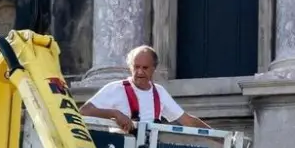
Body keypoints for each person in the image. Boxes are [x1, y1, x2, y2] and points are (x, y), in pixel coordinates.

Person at [80, 46, 210, 132]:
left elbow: (187, 120)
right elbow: (84, 111)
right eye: (136, 67)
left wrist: (223, 139)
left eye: (145, 68)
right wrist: (115, 114)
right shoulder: (115, 89)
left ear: (154, 69)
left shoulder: (159, 92)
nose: (140, 72)